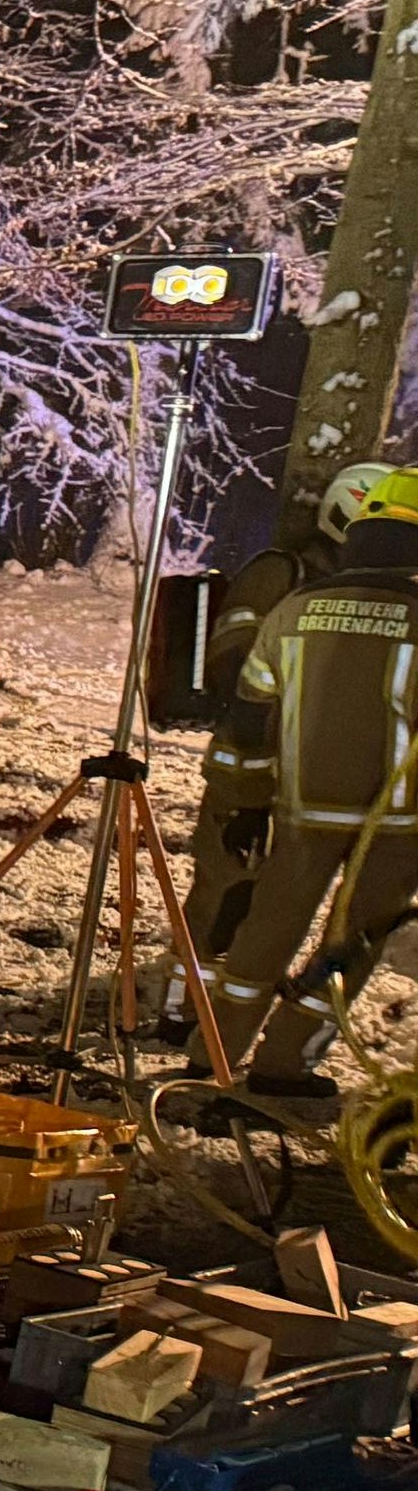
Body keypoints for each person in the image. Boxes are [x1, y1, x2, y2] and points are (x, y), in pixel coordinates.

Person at [199, 467, 418, 1099]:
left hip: (300, 811)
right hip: (396, 825)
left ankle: (208, 1053)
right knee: (351, 949)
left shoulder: (295, 610)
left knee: (264, 933)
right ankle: (285, 1064)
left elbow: (248, 719)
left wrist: (244, 806)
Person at [186, 461, 393, 964]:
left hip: (312, 779)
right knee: (227, 897)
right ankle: (182, 1003)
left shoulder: (370, 593)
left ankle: (222, 1007)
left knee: (271, 912)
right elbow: (233, 660)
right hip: (253, 767)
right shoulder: (282, 571)